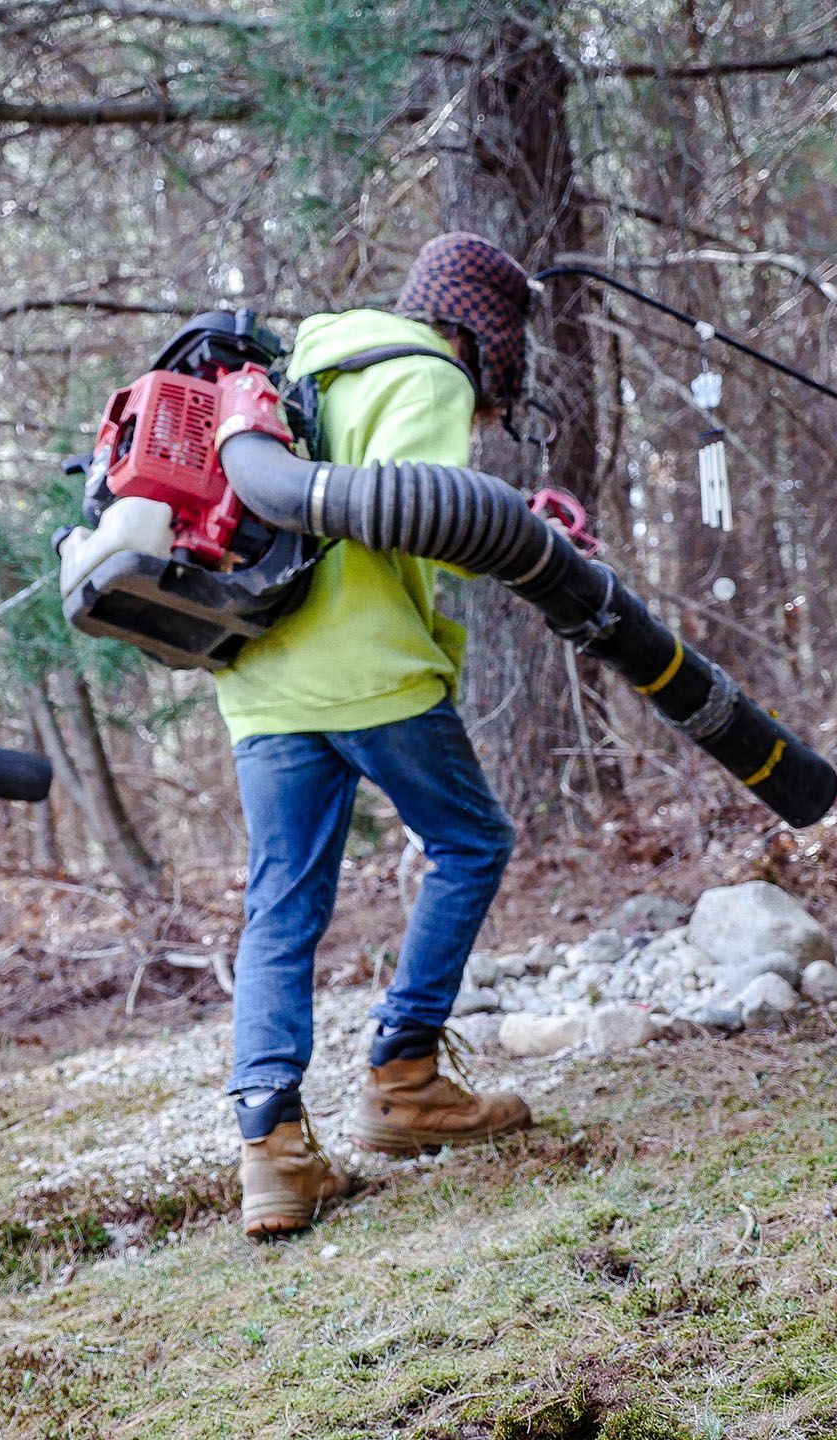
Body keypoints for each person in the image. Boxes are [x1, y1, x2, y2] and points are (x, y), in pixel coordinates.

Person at [216, 234, 537, 1237]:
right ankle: (403, 1077)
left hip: (262, 676)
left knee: (282, 904)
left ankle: (270, 1154)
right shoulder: (429, 370)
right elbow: (417, 515)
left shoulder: (305, 362)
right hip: (372, 671)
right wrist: (532, 539)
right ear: (478, 337)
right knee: (471, 842)